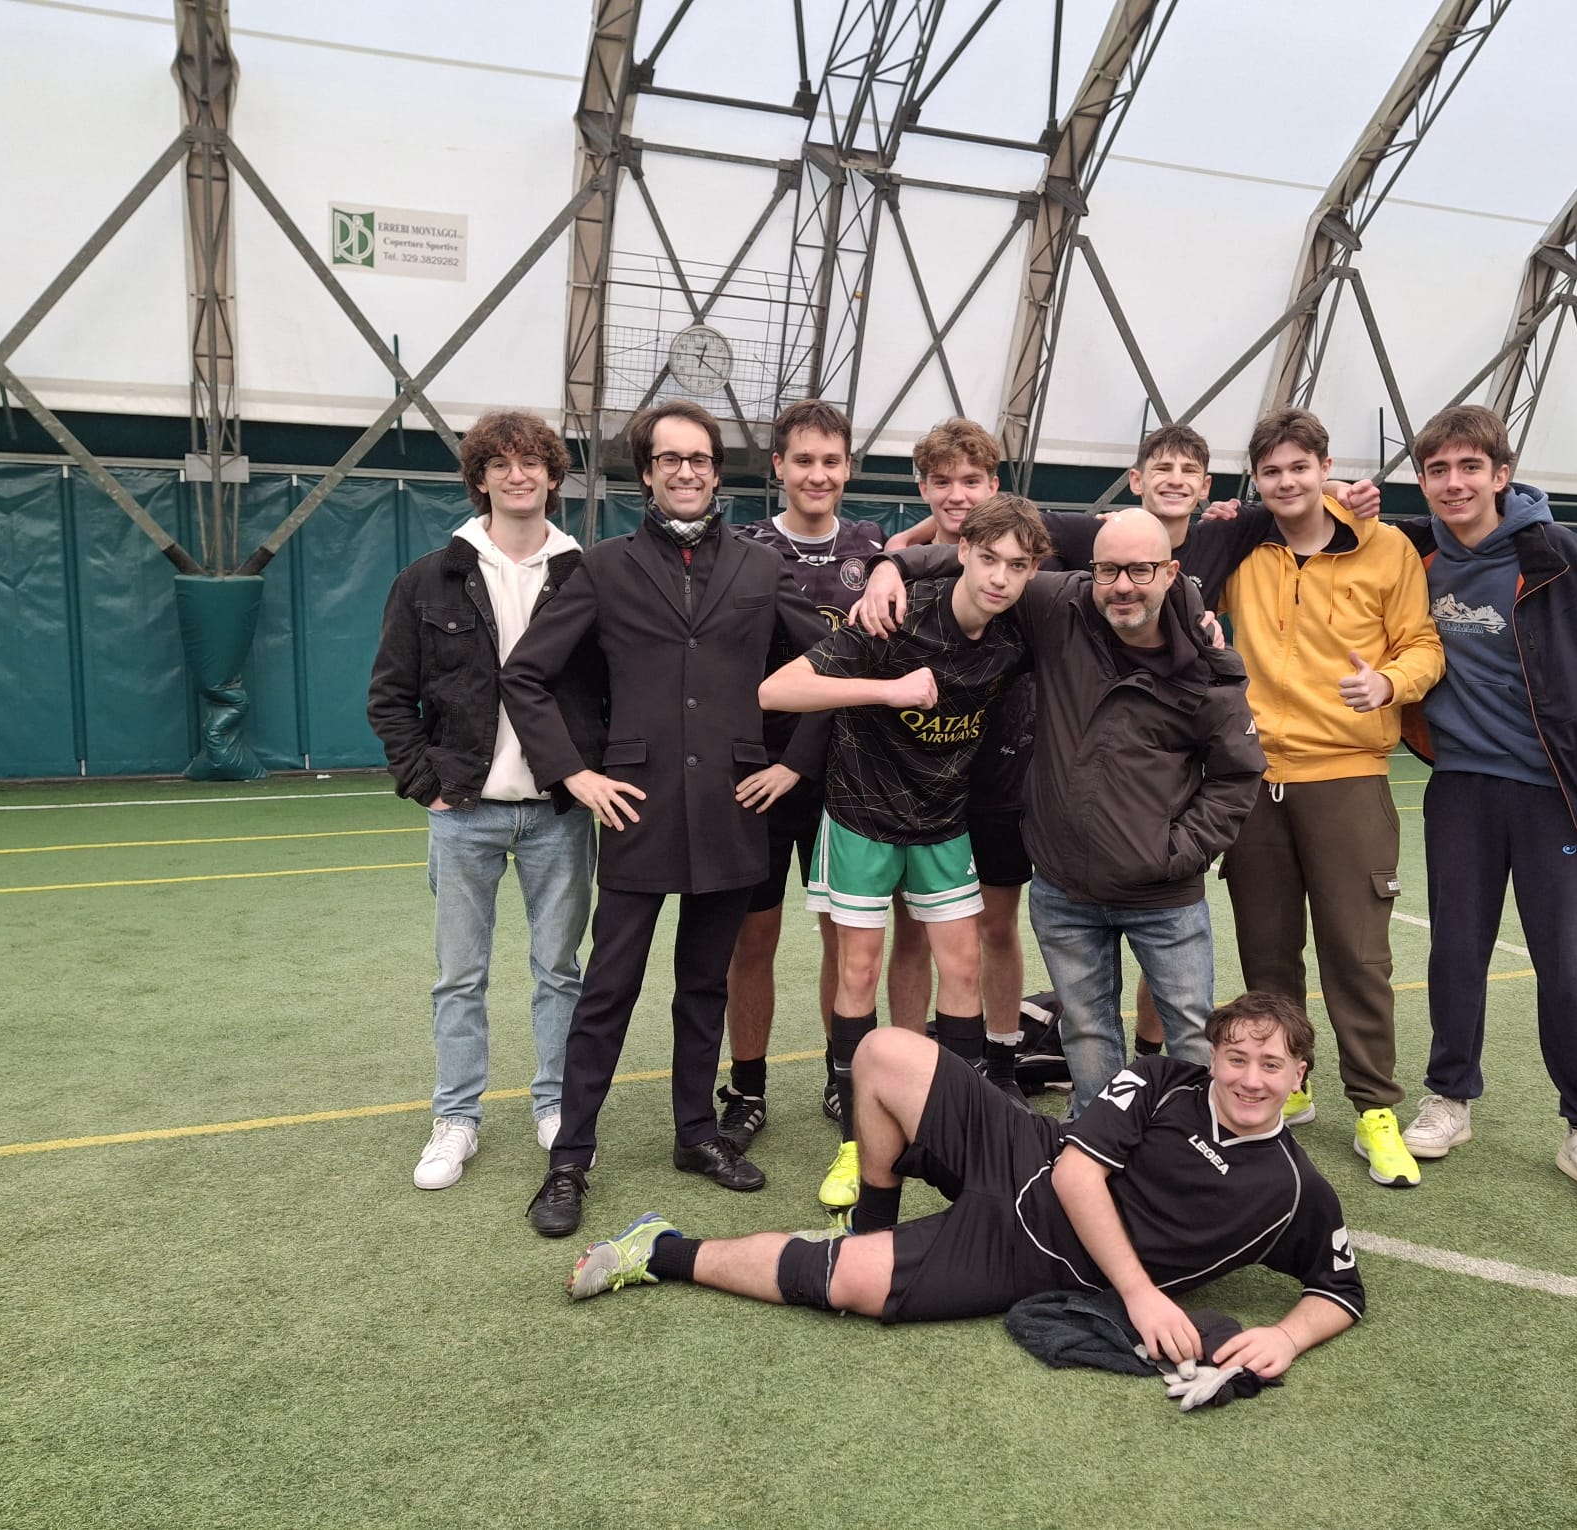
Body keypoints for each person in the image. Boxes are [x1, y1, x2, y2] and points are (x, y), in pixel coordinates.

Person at [559, 992, 1363, 1388]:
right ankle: (874, 1221)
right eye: (1236, 1058)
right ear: (1213, 1055)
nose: (1249, 1079)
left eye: (1271, 1066)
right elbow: (1076, 1172)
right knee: (881, 1051)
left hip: (1033, 1260)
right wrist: (1144, 1296)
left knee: (845, 1286)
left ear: (1299, 1077)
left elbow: (1341, 1290)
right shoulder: (1163, 1081)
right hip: (1031, 1154)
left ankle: (659, 1249)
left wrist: (1288, 1339)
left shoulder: (1295, 1191)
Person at [499, 400, 832, 1237]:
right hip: (637, 811)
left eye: (701, 458)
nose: (686, 471)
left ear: (717, 471)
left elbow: (833, 663)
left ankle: (696, 1133)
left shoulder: (759, 568)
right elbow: (526, 676)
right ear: (646, 473)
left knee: (705, 985)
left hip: (733, 808)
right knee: (607, 989)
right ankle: (569, 1159)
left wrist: (794, 764)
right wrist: (575, 772)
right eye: (669, 459)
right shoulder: (602, 568)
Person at [859, 507, 1265, 1106]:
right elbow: (984, 560)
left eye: (1140, 570)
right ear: (1089, 569)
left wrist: (1176, 853)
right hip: (1064, 890)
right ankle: (1093, 1138)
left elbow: (1237, 776)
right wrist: (890, 565)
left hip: (1163, 897)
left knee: (1189, 1033)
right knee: (1086, 1030)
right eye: (1108, 570)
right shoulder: (1060, 605)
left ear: (1171, 572)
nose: (1122, 586)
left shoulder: (1205, 664)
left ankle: (1188, 1144)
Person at [1391, 404, 1577, 1209]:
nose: (1454, 483)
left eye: (1470, 467)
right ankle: (1449, 1099)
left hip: (1559, 795)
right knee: (1455, 953)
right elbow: (1320, 521)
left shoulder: (1556, 553)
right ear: (1423, 481)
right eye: (1437, 469)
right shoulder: (1413, 555)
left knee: (1571, 969)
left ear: (1502, 475)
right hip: (1460, 788)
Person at [758, 494, 1048, 1213]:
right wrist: (887, 690)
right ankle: (857, 1143)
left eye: (1017, 566)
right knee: (858, 969)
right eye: (988, 558)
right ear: (964, 552)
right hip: (862, 816)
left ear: (1032, 570)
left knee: (964, 968)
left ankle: (963, 1139)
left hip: (943, 821)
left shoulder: (1019, 630)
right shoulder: (895, 613)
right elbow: (777, 689)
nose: (1000, 577)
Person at [367, 409, 599, 1192]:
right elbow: (390, 696)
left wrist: (589, 772)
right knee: (459, 977)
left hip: (559, 815)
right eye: (500, 462)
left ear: (554, 476)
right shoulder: (428, 578)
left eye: (531, 461)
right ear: (481, 478)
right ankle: (456, 1118)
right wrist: (424, 783)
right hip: (464, 813)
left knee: (559, 969)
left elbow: (613, 689)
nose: (517, 474)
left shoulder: (587, 576)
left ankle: (557, 1106)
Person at [1214, 408, 1445, 1189]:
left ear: (1324, 467)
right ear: (1258, 481)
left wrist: (1389, 683)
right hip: (1255, 782)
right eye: (1271, 471)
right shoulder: (1245, 548)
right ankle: (1287, 1085)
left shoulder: (1387, 547)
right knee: (1267, 952)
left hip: (1347, 777)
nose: (1286, 482)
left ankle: (1376, 1109)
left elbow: (1424, 643)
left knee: (1358, 954)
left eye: (1299, 467)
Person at [719, 399, 885, 1151]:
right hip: (759, 778)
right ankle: (747, 1088)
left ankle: (842, 1073)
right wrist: (777, 760)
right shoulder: (743, 547)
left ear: (848, 468)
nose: (819, 474)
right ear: (778, 466)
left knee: (843, 938)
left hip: (846, 778)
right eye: (804, 460)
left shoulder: (873, 548)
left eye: (832, 461)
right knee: (752, 940)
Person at [879, 419, 1050, 1098]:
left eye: (971, 480)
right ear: (922, 486)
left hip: (1000, 780)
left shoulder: (1022, 561)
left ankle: (1001, 1064)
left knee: (998, 926)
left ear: (994, 485)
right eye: (942, 481)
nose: (957, 494)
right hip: (918, 785)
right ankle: (904, 1068)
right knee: (912, 932)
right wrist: (893, 559)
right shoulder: (897, 568)